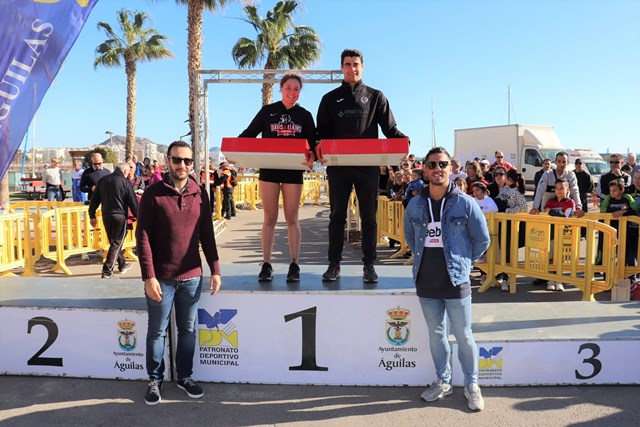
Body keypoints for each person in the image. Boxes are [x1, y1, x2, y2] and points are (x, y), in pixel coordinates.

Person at [404, 146, 490, 412]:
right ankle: (443, 381)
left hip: (456, 279)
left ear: (451, 168)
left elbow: (482, 239)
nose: (437, 169)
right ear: (425, 170)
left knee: (464, 335)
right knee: (437, 334)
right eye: (431, 165)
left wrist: (465, 263)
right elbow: (409, 236)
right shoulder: (417, 203)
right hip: (426, 279)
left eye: (442, 164)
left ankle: (472, 384)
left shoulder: (464, 202)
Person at [136, 140, 222, 406]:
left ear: (192, 164)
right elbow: (143, 237)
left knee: (187, 330)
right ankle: (155, 379)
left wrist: (215, 270)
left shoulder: (199, 193)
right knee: (157, 332)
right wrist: (148, 276)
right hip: (161, 278)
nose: (182, 165)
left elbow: (207, 234)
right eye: (177, 160)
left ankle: (185, 377)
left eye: (187, 161)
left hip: (192, 277)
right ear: (167, 161)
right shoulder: (153, 194)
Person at [316, 48, 408, 283]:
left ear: (362, 67)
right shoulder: (329, 99)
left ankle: (369, 266)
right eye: (347, 64)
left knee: (369, 218)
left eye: (356, 64)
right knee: (336, 217)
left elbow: (390, 130)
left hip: (368, 167)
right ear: (341, 67)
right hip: (338, 168)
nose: (352, 68)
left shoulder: (376, 96)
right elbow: (321, 135)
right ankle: (334, 265)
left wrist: (404, 141)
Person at [238, 73, 317, 282]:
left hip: (293, 172)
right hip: (269, 172)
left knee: (292, 218)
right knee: (269, 219)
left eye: (296, 89)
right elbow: (249, 133)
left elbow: (314, 144)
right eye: (288, 88)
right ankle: (266, 264)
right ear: (280, 89)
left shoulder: (305, 115)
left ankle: (294, 264)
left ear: (300, 92)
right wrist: (236, 152)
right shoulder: (268, 111)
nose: (292, 92)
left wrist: (313, 157)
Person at [88, 163, 138, 279]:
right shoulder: (125, 182)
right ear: (124, 171)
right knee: (116, 242)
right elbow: (133, 202)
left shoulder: (102, 181)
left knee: (114, 242)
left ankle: (122, 264)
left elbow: (94, 200)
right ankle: (107, 271)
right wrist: (139, 217)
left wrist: (92, 216)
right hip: (120, 216)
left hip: (106, 216)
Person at [543, 179, 577, 292]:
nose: (559, 191)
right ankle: (551, 279)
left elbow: (568, 215)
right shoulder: (550, 201)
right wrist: (558, 213)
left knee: (560, 258)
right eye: (557, 188)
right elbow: (547, 211)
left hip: (564, 234)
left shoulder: (570, 202)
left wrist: (556, 213)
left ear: (567, 189)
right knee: (551, 257)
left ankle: (559, 280)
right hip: (551, 234)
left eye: (562, 188)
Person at [601, 178, 639, 278]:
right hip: (611, 232)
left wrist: (623, 212)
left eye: (614, 190)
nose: (612, 193)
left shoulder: (627, 197)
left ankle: (631, 279)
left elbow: (635, 210)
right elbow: (602, 211)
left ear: (621, 190)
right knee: (609, 255)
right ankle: (607, 279)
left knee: (628, 255)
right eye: (610, 190)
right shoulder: (608, 198)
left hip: (627, 232)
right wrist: (611, 214)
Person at [531, 151, 583, 216]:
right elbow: (539, 192)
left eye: (564, 161)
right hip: (547, 211)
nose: (561, 164)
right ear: (555, 162)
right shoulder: (547, 175)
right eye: (559, 161)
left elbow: (575, 192)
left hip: (564, 212)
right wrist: (535, 208)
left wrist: (578, 207)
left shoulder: (571, 175)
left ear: (568, 163)